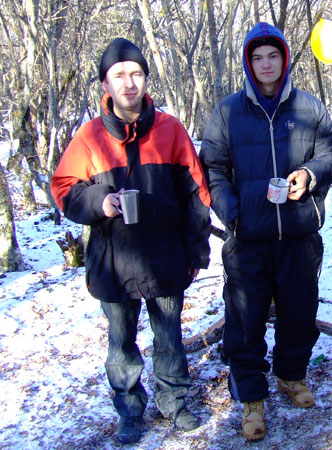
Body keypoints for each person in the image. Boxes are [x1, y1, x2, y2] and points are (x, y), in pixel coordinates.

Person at [50, 38, 212, 444]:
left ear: (145, 79)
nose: (128, 83)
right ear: (105, 84)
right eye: (119, 75)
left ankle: (174, 402)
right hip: (113, 261)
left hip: (165, 256)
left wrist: (196, 251)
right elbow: (63, 187)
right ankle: (129, 408)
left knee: (169, 336)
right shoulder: (89, 138)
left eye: (136, 74)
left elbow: (197, 195)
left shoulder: (170, 130)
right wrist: (98, 201)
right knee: (121, 343)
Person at [200, 22, 332, 441]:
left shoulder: (309, 107)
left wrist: (309, 175)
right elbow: (213, 168)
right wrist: (233, 214)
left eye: (273, 56)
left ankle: (292, 376)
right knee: (245, 322)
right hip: (247, 238)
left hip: (299, 234)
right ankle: (252, 397)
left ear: (284, 59)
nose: (266, 64)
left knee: (299, 313)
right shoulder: (228, 111)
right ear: (249, 63)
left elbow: (331, 154)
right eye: (258, 57)